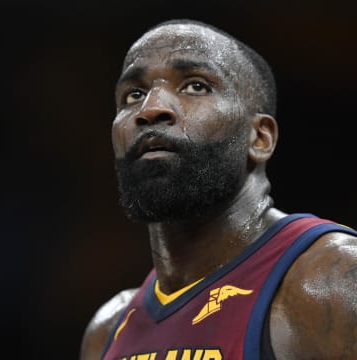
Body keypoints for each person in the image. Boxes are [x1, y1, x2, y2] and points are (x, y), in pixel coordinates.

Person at [80, 19, 357, 360]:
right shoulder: (107, 330)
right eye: (133, 95)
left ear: (259, 137)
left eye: (196, 87)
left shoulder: (334, 281)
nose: (150, 109)